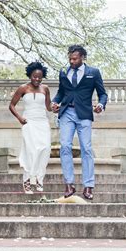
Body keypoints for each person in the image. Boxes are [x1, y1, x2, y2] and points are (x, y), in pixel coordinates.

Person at [51, 44, 108, 200]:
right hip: (66, 113)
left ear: (83, 57)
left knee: (87, 148)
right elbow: (60, 93)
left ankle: (88, 186)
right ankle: (69, 184)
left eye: (74, 58)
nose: (71, 61)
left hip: (84, 114)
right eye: (70, 58)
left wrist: (101, 105)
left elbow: (103, 94)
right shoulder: (64, 72)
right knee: (65, 146)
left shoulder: (93, 73)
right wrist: (54, 102)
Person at [9, 61, 52, 194]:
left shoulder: (45, 89)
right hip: (29, 122)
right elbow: (11, 105)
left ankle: (39, 179)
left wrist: (56, 108)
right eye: (34, 76)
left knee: (44, 149)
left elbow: (49, 107)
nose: (37, 79)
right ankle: (27, 180)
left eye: (39, 77)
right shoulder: (23, 88)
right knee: (30, 151)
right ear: (30, 75)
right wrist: (19, 118)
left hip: (42, 122)